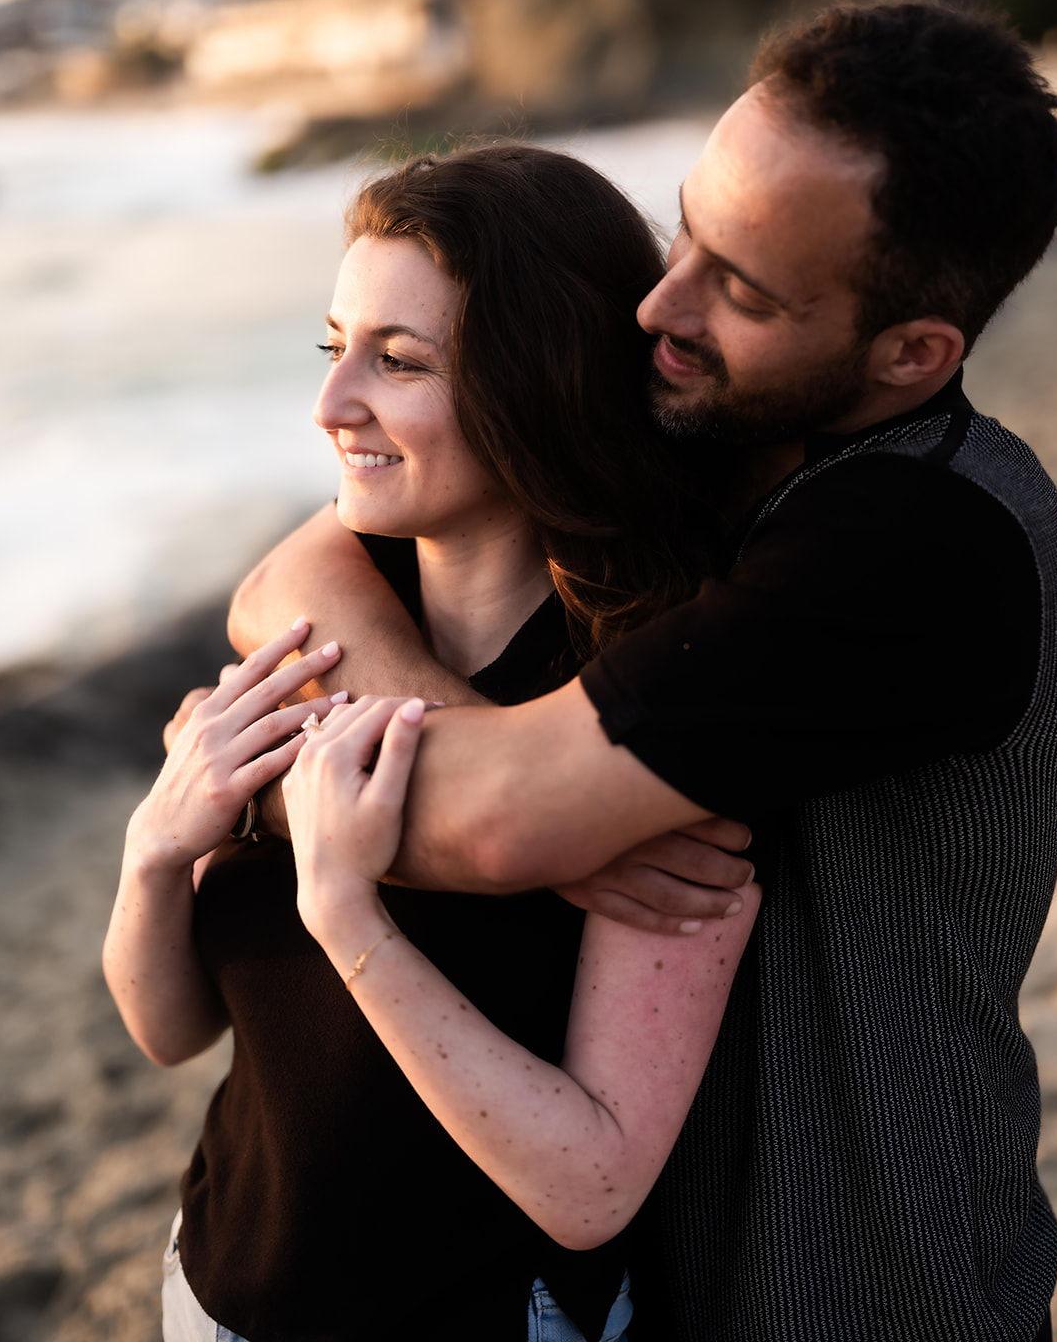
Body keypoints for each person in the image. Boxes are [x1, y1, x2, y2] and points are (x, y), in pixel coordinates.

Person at [228, 0, 1057, 1341]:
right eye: (687, 231)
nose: (659, 303)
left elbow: (493, 815)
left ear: (912, 354)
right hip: (666, 1273)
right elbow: (293, 572)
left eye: (742, 288)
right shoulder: (719, 420)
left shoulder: (917, 546)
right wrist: (446, 769)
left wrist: (278, 780)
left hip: (856, 1279)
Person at [103, 145, 763, 1342]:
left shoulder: (636, 710)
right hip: (213, 1292)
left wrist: (347, 915)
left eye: (396, 361)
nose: (330, 404)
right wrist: (154, 851)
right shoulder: (317, 640)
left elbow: (591, 1184)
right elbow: (171, 1029)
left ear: (537, 385)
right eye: (333, 347)